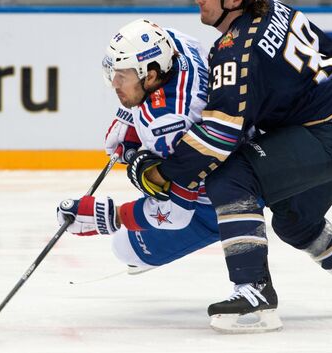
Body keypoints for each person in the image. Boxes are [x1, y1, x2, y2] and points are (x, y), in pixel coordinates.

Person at [126, 0, 332, 333]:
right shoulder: (273, 9)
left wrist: (164, 172)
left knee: (229, 178)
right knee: (296, 221)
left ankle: (254, 293)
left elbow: (220, 133)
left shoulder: (235, 46)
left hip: (324, 134)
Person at [56, 18, 227, 274]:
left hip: (220, 199)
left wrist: (114, 216)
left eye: (122, 76)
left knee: (125, 249)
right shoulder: (176, 42)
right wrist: (131, 119)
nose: (115, 83)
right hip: (244, 148)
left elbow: (177, 214)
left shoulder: (167, 124)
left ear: (152, 75)